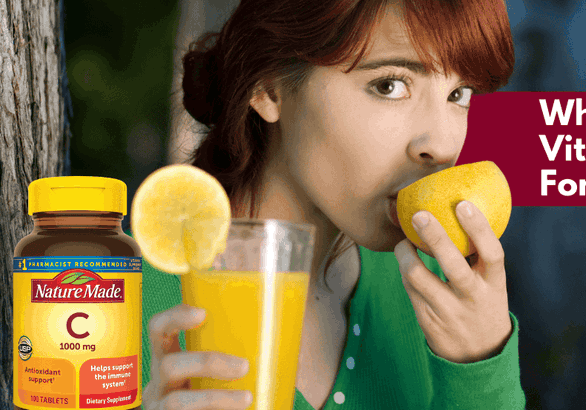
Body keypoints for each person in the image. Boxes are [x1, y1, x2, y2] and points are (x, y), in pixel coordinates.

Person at [140, 0, 523, 409]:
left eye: (458, 94)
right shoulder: (108, 293)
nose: (443, 145)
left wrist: (480, 371)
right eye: (389, 85)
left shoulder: (442, 297)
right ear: (269, 88)